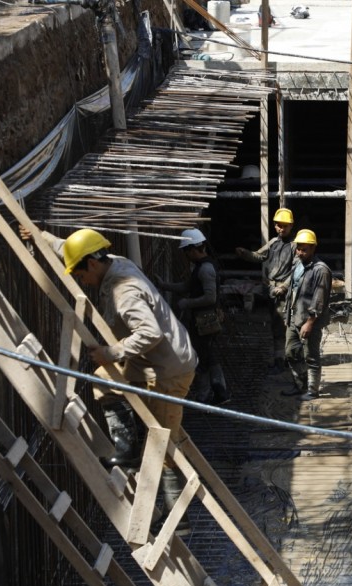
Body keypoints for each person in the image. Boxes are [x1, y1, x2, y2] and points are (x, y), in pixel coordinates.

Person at [21, 226, 197, 534]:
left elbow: (150, 334)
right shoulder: (113, 261)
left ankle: (177, 519)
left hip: (170, 371)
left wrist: (111, 352)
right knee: (105, 380)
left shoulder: (122, 291)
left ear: (92, 264)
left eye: (79, 274)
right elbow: (73, 248)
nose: (79, 280)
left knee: (161, 442)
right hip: (154, 363)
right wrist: (41, 236)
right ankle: (127, 448)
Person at [156, 229, 230, 405]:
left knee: (201, 358)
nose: (185, 256)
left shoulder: (205, 269)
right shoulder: (200, 267)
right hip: (203, 320)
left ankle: (205, 395)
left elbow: (210, 297)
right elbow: (187, 286)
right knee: (209, 355)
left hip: (206, 321)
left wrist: (187, 303)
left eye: (185, 252)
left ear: (192, 249)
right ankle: (220, 392)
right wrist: (164, 285)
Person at [236, 207, 297, 371]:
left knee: (282, 328)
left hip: (285, 293)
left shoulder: (295, 246)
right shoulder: (273, 243)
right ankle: (282, 359)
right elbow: (259, 255)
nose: (281, 228)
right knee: (275, 326)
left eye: (285, 225)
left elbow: (297, 271)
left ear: (291, 226)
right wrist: (245, 254)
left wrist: (284, 286)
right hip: (271, 290)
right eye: (278, 225)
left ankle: (283, 361)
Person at [282, 228, 332, 400]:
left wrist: (310, 322)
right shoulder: (298, 264)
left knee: (311, 356)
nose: (300, 252)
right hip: (293, 317)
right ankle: (299, 384)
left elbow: (319, 300)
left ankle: (312, 390)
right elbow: (293, 287)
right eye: (298, 248)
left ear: (313, 249)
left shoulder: (321, 271)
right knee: (290, 352)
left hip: (309, 320)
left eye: (304, 249)